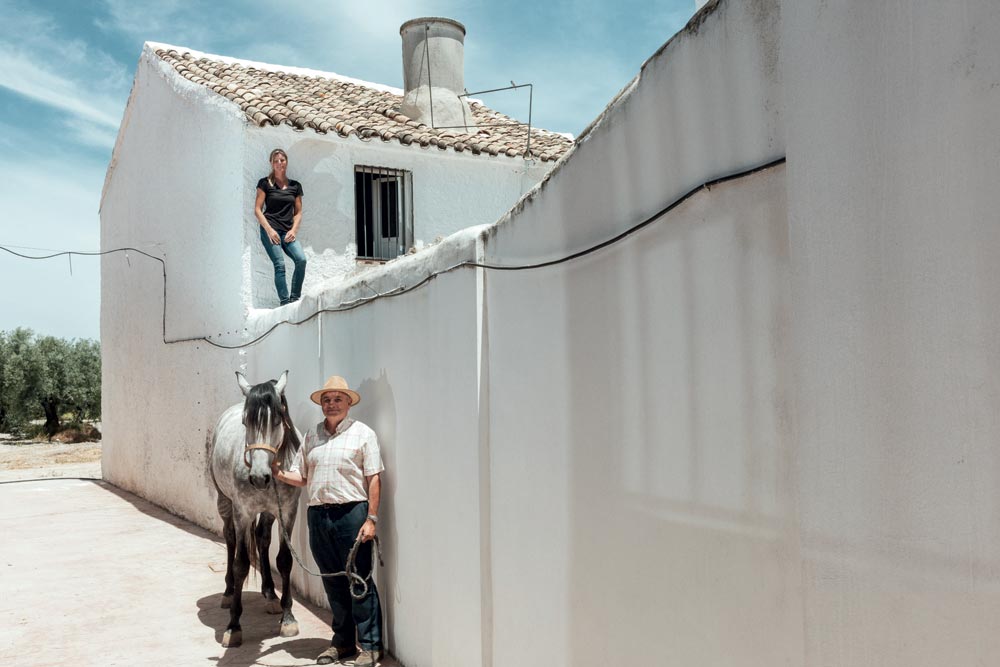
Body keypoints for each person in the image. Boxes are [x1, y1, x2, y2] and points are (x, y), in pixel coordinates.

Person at [272, 375, 384, 666]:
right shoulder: (312, 436)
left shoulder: (363, 434)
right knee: (333, 583)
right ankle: (343, 643)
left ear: (348, 403)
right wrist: (279, 474)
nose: (331, 404)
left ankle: (371, 646)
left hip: (352, 514)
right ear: (321, 404)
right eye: (326, 399)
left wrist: (371, 518)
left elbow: (373, 478)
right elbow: (303, 476)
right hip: (319, 516)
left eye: (337, 399)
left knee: (359, 580)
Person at [254, 148, 307, 305]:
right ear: (271, 163)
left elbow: (298, 212)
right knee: (280, 265)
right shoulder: (265, 183)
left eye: (282, 160)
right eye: (276, 161)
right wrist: (269, 231)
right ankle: (285, 302)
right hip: (270, 230)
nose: (279, 163)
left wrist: (293, 230)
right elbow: (257, 210)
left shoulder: (295, 186)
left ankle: (295, 298)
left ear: (286, 162)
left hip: (287, 232)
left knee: (301, 260)